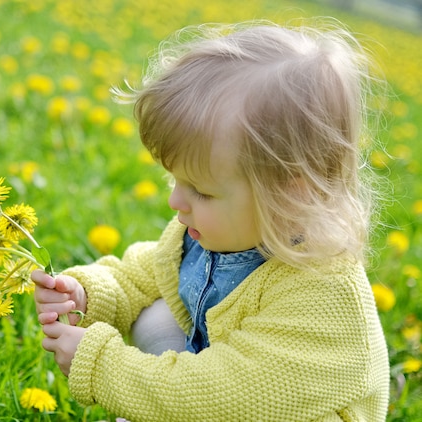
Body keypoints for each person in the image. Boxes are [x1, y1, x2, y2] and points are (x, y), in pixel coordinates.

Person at [32, 19, 390, 421]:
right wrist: (86, 293)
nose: (175, 201)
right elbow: (145, 274)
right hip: (217, 389)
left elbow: (215, 399)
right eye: (175, 180)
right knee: (155, 309)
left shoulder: (322, 300)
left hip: (243, 405)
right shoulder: (214, 232)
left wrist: (101, 366)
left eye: (201, 190)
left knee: (175, 384)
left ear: (292, 193)